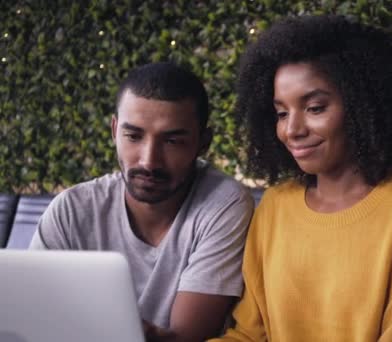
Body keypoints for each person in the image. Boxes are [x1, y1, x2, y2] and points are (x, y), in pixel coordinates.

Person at [212, 15, 392, 342]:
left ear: (362, 105)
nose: (292, 130)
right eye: (282, 113)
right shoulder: (275, 206)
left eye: (314, 108)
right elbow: (248, 335)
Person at [29, 62, 254, 341]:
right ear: (114, 131)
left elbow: (185, 338)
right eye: (133, 136)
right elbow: (33, 318)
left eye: (172, 141)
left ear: (203, 142)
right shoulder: (71, 211)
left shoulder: (224, 204)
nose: (149, 160)